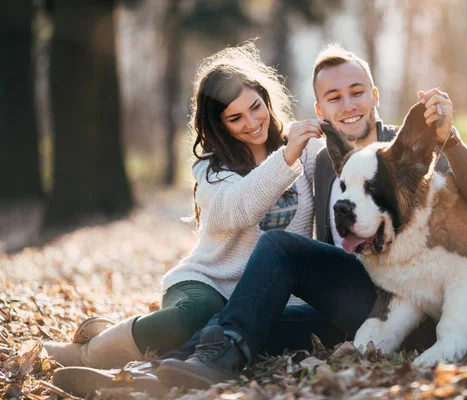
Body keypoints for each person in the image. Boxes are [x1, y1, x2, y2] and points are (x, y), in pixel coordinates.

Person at [155, 44, 467, 389]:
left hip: (410, 300)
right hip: (351, 298)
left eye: (356, 92)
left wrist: (450, 141)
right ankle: (180, 362)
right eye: (334, 97)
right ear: (321, 109)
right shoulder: (324, 160)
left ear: (374, 95)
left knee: (282, 248)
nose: (348, 105)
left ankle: (211, 356)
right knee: (257, 318)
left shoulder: (407, 149)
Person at [47, 42, 345, 397]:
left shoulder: (305, 149)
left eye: (256, 107)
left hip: (263, 296)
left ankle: (139, 375)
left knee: (251, 335)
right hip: (209, 282)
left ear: (266, 99)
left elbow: (359, 154)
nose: (252, 123)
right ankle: (89, 353)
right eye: (236, 118)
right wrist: (286, 157)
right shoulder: (211, 170)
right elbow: (239, 209)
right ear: (218, 125)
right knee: (193, 317)